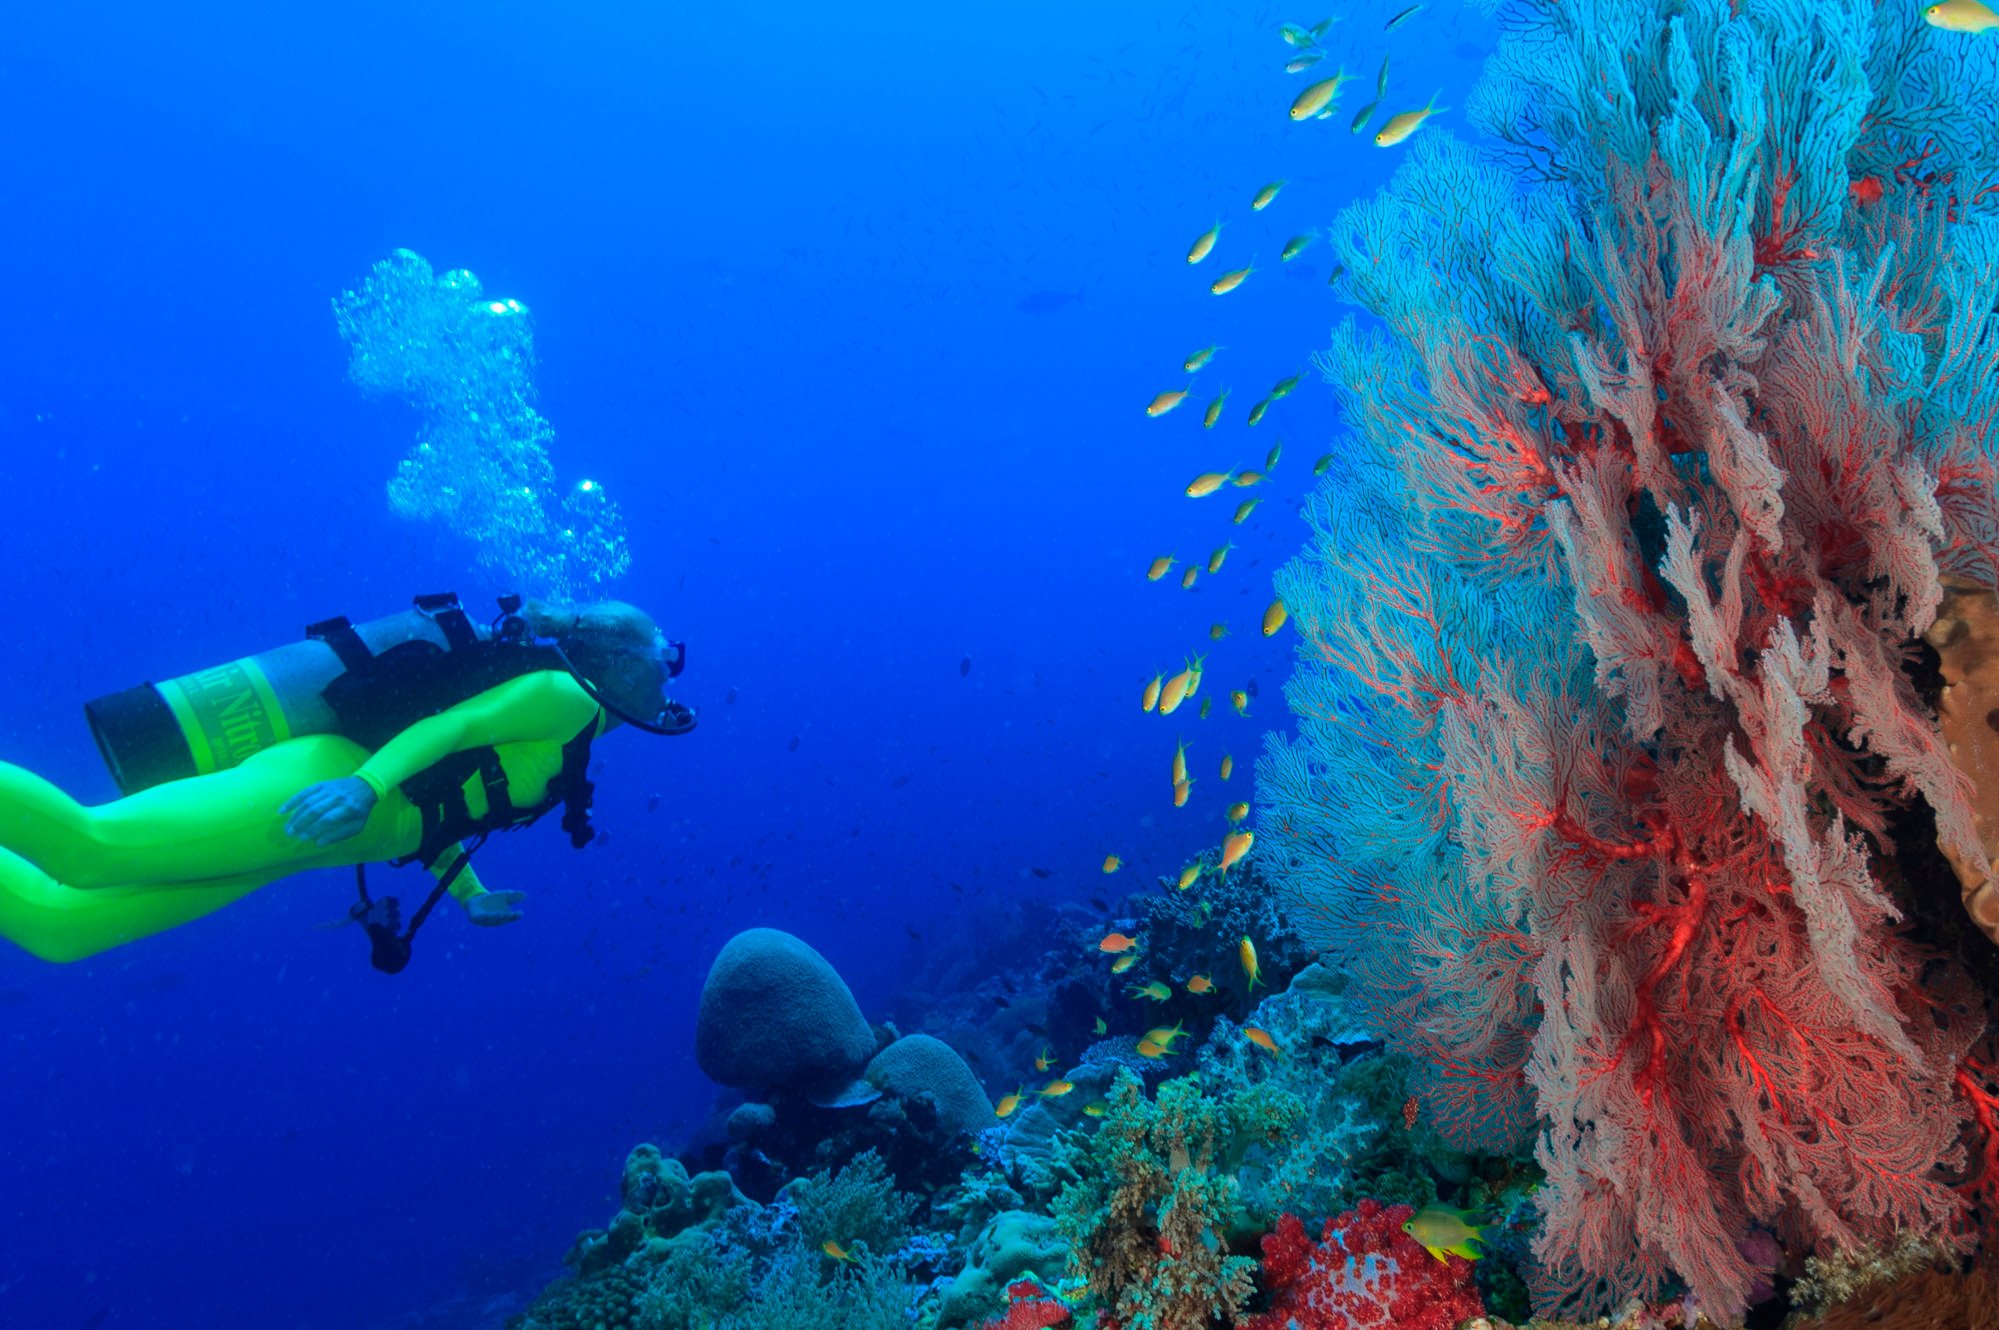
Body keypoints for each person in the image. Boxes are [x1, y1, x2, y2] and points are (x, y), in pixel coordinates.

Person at [0, 593, 693, 970]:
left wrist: (469, 896)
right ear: (625, 663)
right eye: (664, 659)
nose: (667, 676)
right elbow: (448, 730)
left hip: (324, 829)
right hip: (325, 786)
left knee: (64, 929)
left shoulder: (576, 736)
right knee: (88, 850)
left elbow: (446, 801)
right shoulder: (568, 698)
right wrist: (362, 786)